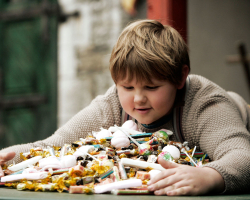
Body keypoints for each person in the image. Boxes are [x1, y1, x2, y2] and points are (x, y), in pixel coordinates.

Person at [1, 19, 250, 196]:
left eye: (151, 87)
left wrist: (211, 176)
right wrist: (9, 157)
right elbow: (52, 146)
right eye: (127, 88)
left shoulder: (206, 105)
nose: (138, 99)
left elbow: (243, 157)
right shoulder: (112, 104)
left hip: (237, 120)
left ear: (180, 77)